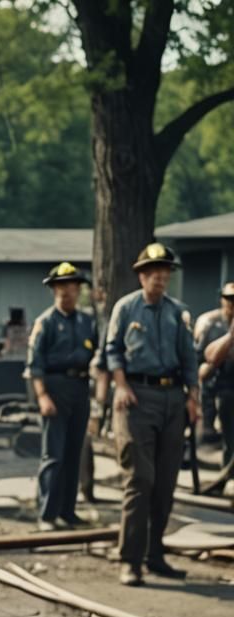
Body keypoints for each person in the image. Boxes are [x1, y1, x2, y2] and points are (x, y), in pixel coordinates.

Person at [105, 242, 199, 586]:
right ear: (142, 276)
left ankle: (154, 553)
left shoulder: (178, 312)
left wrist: (194, 397)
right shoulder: (126, 308)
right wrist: (120, 385)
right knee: (139, 479)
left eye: (165, 272)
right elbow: (112, 350)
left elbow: (189, 357)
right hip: (136, 396)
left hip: (173, 397)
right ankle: (129, 558)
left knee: (165, 482)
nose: (160, 278)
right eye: (153, 272)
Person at [27, 262, 99, 530]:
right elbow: (34, 365)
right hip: (54, 387)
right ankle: (47, 514)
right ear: (53, 290)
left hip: (79, 387)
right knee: (53, 455)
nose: (66, 291)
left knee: (73, 453)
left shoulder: (86, 322)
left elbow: (97, 355)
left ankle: (68, 511)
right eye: (60, 286)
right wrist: (42, 396)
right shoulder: (45, 322)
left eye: (71, 286)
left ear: (78, 289)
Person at [195, 282, 234, 468]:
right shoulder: (210, 323)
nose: (232, 303)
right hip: (220, 387)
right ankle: (228, 473)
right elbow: (201, 358)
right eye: (229, 298)